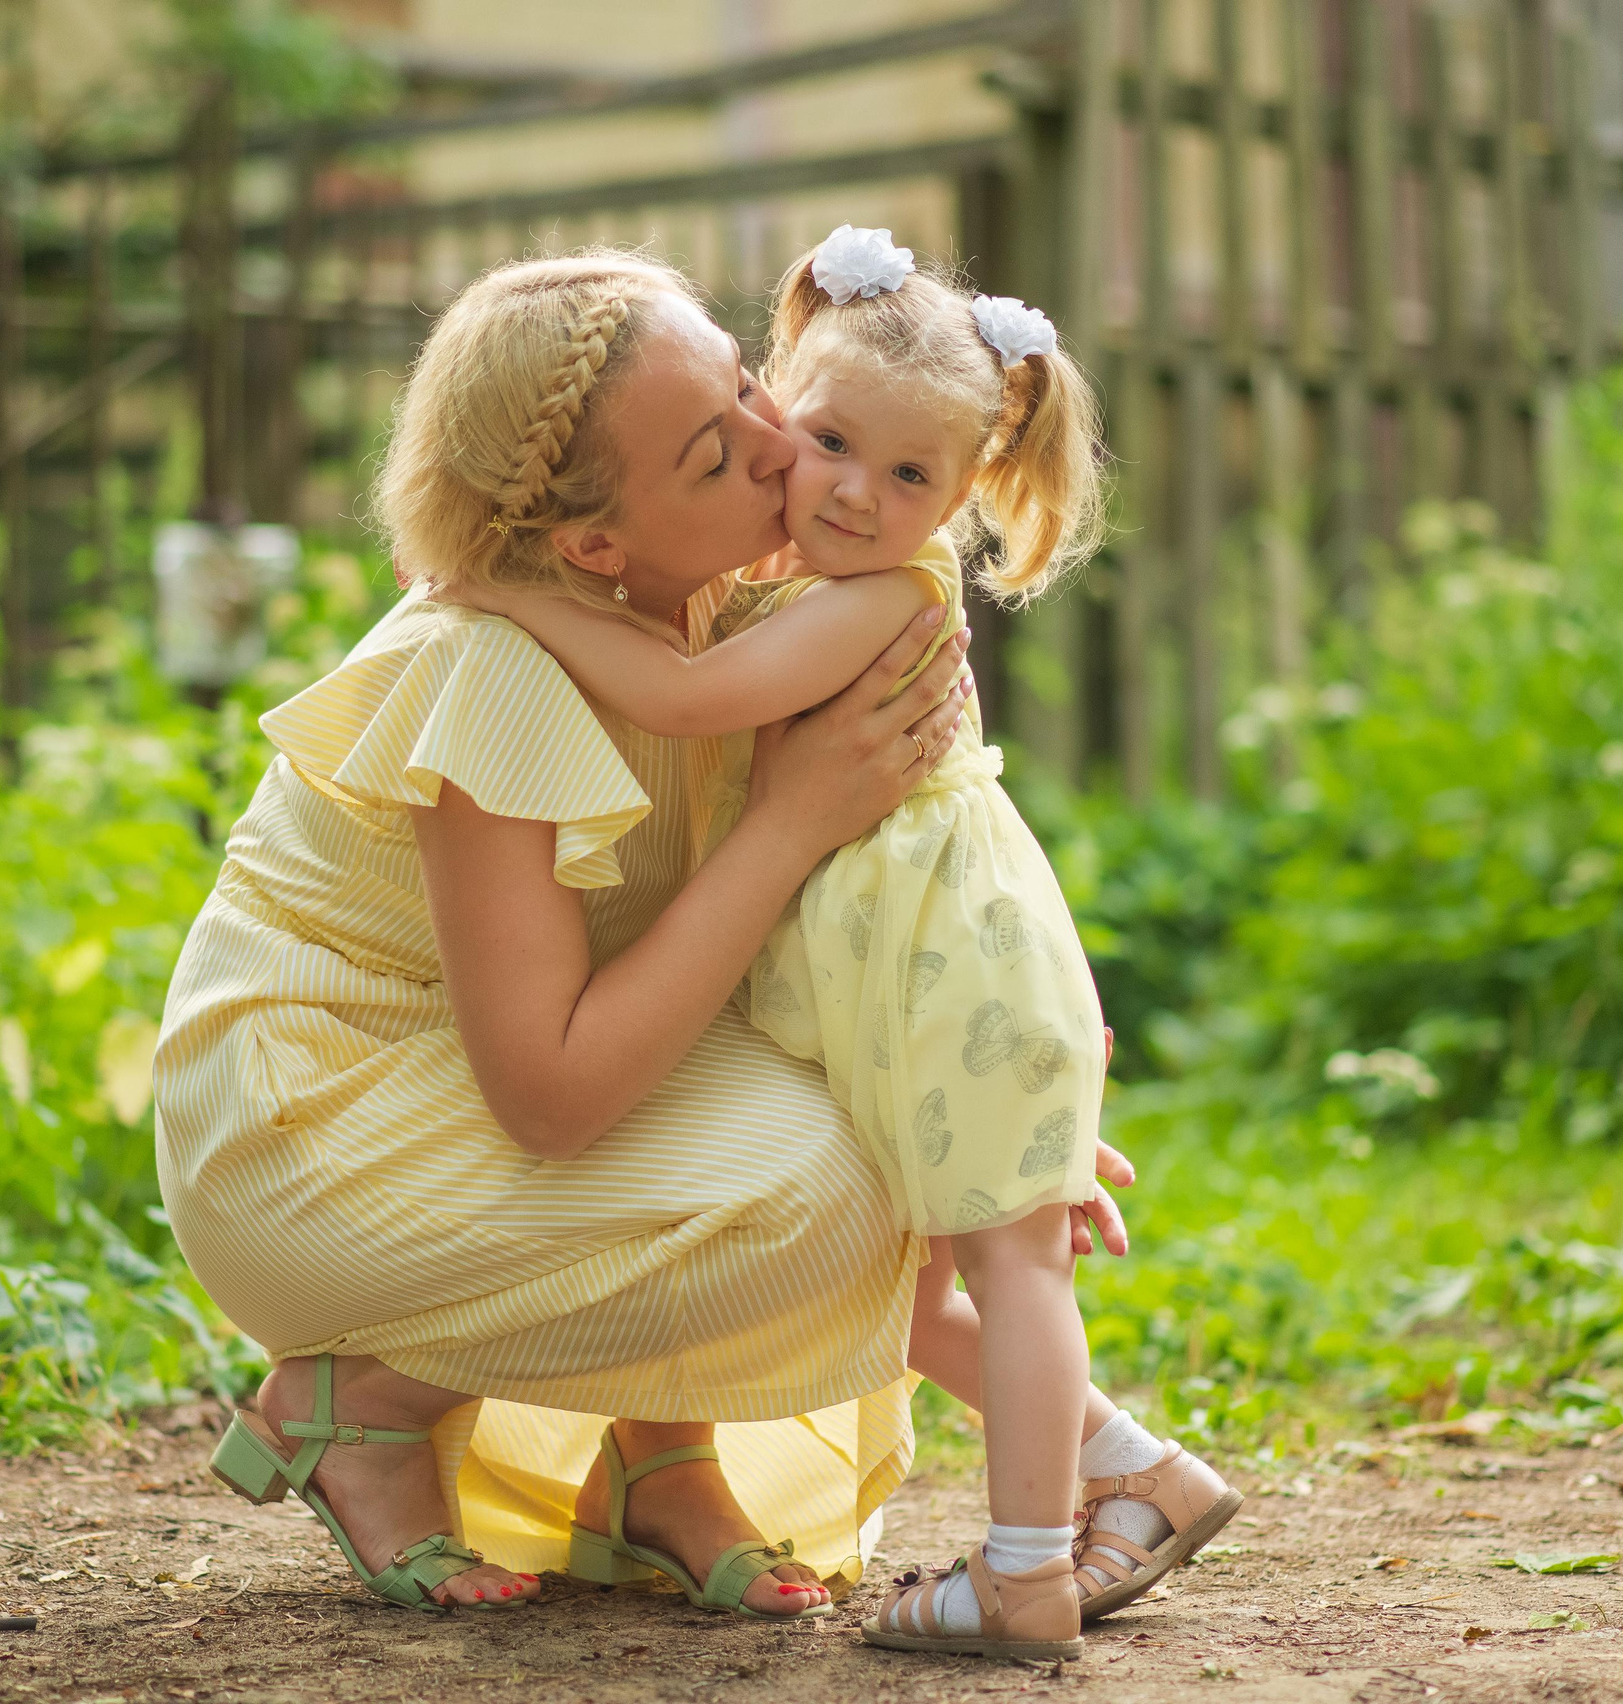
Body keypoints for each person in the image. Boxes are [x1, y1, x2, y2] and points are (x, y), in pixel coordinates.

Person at [155, 248, 1024, 1619]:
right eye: (708, 449)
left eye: (744, 383)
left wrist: (995, 1069)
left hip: (485, 1073)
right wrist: (787, 821)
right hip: (317, 1125)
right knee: (830, 1191)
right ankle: (367, 1408)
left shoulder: (727, 604)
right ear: (592, 548)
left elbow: (819, 929)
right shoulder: (488, 664)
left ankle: (653, 1465)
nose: (775, 439)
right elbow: (556, 1096)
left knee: (881, 1135)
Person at [450, 228, 1241, 1660]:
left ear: (963, 493)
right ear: (778, 407)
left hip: (956, 985)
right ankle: (1140, 1474)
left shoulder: (880, 598)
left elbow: (687, 700)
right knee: (899, 1285)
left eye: (912, 478)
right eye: (825, 442)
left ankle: (1025, 1575)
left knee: (1009, 1273)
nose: (857, 495)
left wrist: (515, 592)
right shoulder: (816, 587)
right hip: (915, 992)